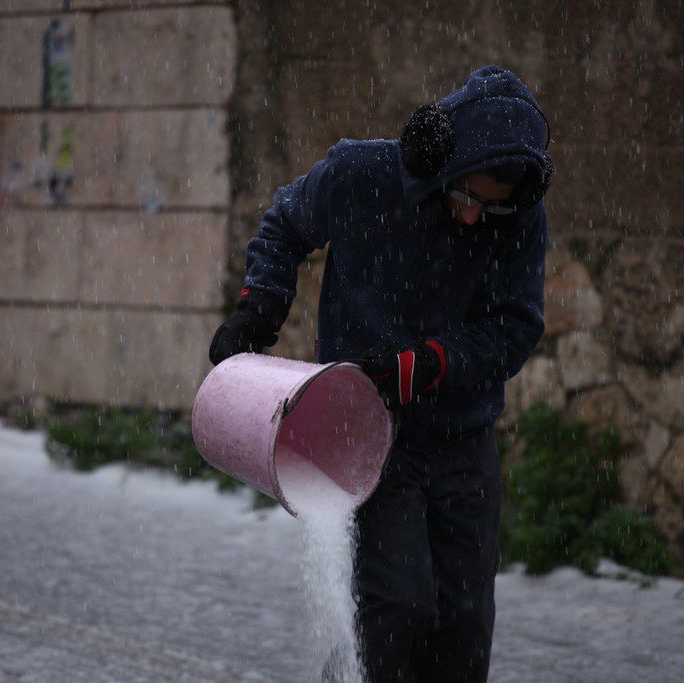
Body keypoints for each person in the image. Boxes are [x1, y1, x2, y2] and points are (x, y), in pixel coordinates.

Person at [208, 65, 552, 683]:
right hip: (367, 436)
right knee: (395, 609)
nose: (476, 218)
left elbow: (516, 328)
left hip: (463, 444)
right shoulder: (361, 175)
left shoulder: (517, 217)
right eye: (469, 197)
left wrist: (427, 365)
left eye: (491, 209)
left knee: (463, 624)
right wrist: (260, 306)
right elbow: (286, 223)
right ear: (438, 157)